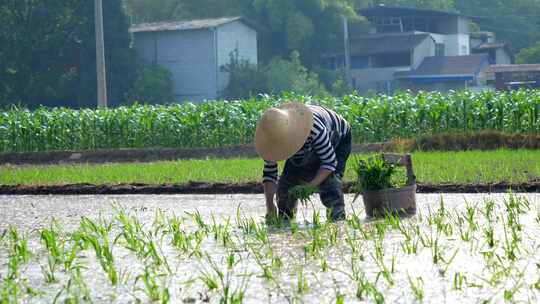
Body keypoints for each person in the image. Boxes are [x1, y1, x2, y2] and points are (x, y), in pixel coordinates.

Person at [254, 102, 352, 222]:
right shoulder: (270, 139)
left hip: (337, 137)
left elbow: (329, 163)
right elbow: (270, 175)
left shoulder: (315, 129)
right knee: (287, 185)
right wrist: (270, 206)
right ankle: (285, 219)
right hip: (309, 141)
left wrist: (309, 186)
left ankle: (337, 220)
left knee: (330, 183)